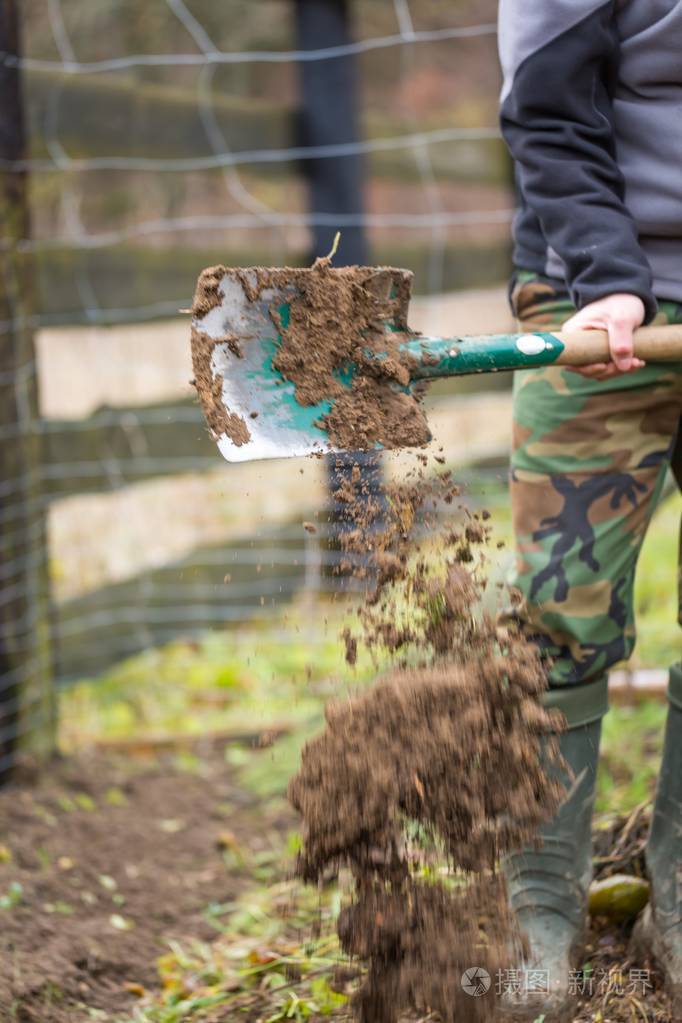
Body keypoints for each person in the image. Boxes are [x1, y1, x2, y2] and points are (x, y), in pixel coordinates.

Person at [497, 2, 682, 1018]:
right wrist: (611, 280)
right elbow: (547, 103)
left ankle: (679, 895)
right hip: (596, 296)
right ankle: (539, 909)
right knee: (556, 608)